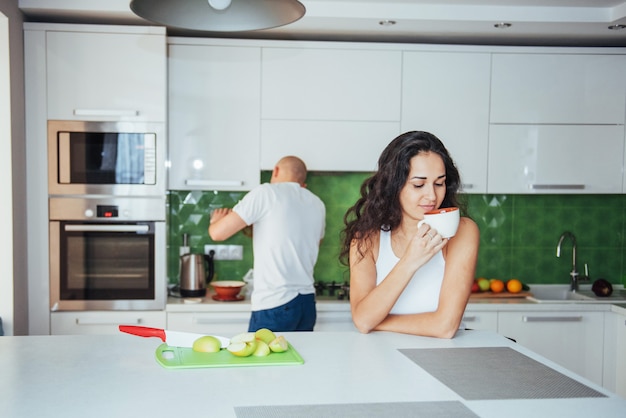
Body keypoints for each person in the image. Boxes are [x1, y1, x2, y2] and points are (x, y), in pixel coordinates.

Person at [340, 131, 479, 339]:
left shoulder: (462, 231)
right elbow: (362, 319)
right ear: (393, 186)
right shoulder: (367, 239)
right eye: (418, 184)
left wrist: (378, 322)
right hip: (380, 360)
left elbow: (446, 327)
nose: (432, 196)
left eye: (439, 183)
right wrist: (410, 262)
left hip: (442, 360)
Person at [209, 156, 326, 332]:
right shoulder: (317, 203)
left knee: (261, 360)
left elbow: (217, 234)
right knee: (296, 358)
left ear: (276, 171)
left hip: (275, 304)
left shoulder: (267, 193)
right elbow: (314, 241)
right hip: (307, 304)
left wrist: (215, 221)